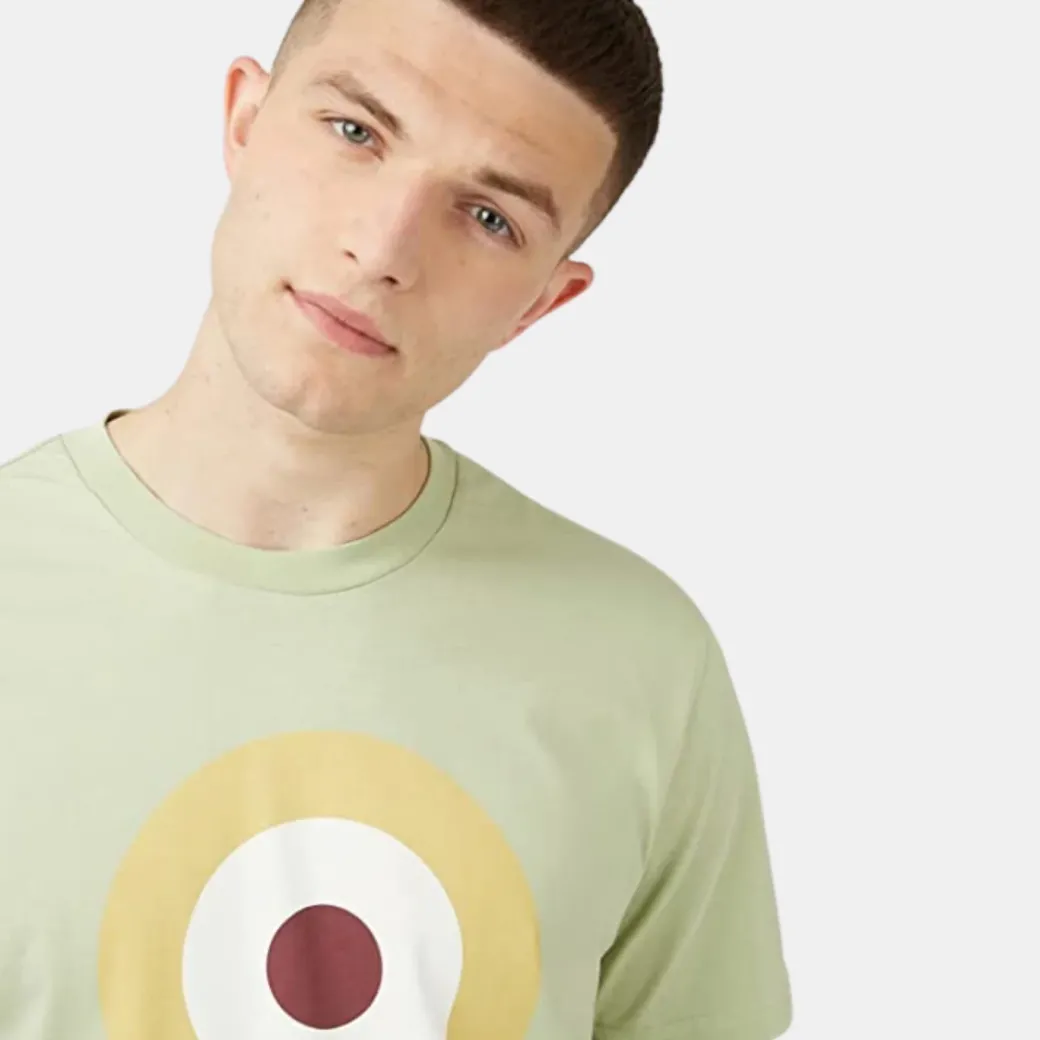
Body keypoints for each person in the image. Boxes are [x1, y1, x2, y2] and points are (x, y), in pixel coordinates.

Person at [0, 0, 794, 1036]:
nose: (383, 247)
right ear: (244, 120)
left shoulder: (642, 665)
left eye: (489, 217)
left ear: (539, 303)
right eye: (356, 132)